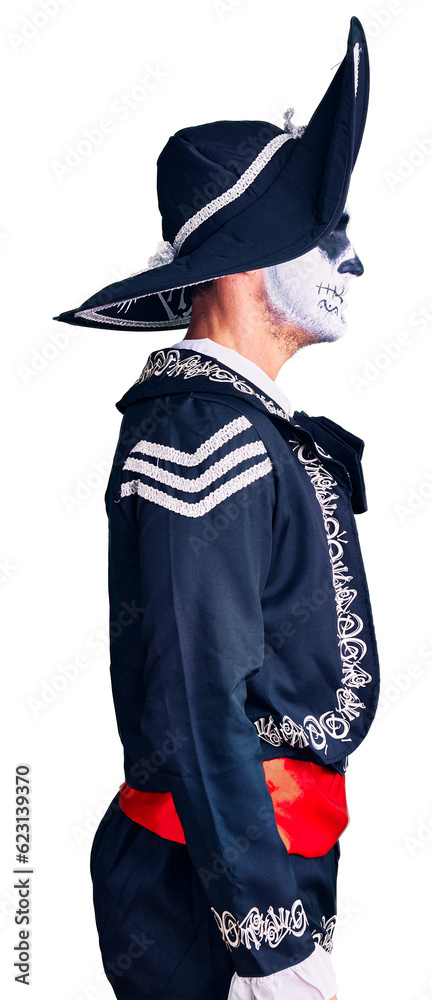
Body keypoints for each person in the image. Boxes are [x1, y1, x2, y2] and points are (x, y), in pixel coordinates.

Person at [53, 16, 380, 1000]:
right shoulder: (202, 437)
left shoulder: (238, 425)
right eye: (327, 234)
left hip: (261, 857)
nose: (351, 263)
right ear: (247, 258)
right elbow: (199, 708)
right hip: (215, 882)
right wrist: (271, 943)